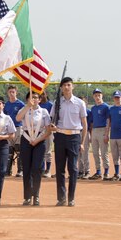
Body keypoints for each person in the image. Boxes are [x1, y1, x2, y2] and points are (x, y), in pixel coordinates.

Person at [48, 76, 87, 207]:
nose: (66, 87)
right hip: (60, 136)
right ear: (61, 88)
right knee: (60, 169)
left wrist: (82, 142)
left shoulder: (79, 103)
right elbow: (51, 119)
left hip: (74, 137)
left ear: (72, 87)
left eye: (69, 85)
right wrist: (52, 126)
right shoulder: (57, 103)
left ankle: (71, 198)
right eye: (64, 85)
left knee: (73, 169)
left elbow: (84, 123)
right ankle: (61, 198)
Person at [17, 91, 51, 206]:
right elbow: (18, 118)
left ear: (40, 100)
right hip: (26, 139)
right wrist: (27, 106)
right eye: (31, 98)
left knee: (36, 169)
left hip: (39, 140)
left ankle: (36, 195)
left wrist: (37, 140)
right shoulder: (24, 109)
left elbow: (48, 130)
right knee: (26, 169)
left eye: (36, 98)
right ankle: (27, 197)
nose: (34, 100)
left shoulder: (44, 112)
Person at [106, 90, 121, 181]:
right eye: (115, 97)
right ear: (113, 98)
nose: (117, 99)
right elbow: (109, 121)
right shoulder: (111, 109)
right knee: (115, 156)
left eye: (118, 97)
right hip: (113, 135)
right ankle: (116, 173)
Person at [3, 85, 25, 177]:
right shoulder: (6, 104)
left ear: (16, 92)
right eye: (10, 92)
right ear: (8, 93)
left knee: (19, 148)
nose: (11, 94)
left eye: (13, 92)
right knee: (10, 149)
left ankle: (20, 170)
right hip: (9, 129)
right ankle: (8, 170)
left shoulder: (20, 104)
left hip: (18, 128)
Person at [88, 89, 110, 180]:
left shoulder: (105, 107)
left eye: (99, 95)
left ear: (102, 96)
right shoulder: (93, 108)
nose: (97, 97)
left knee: (104, 152)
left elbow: (108, 121)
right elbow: (92, 122)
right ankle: (98, 172)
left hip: (103, 129)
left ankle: (106, 172)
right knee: (96, 153)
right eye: (95, 95)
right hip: (95, 131)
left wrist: (106, 133)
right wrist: (91, 133)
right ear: (93, 97)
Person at [39, 92, 54, 178]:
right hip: (39, 129)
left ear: (46, 95)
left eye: (43, 94)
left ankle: (48, 170)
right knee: (40, 150)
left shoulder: (50, 105)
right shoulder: (38, 104)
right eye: (40, 95)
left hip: (48, 129)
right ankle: (42, 168)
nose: (42, 96)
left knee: (47, 150)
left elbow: (53, 117)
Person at [77, 97, 92, 179]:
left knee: (85, 152)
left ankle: (87, 171)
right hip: (76, 132)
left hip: (85, 132)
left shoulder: (88, 111)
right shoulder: (76, 111)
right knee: (78, 153)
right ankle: (80, 170)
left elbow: (91, 124)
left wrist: (90, 135)